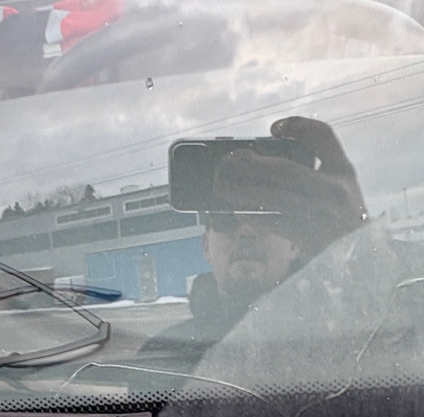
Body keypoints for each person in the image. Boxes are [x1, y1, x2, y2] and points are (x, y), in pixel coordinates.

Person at [140, 116, 370, 364]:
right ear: (206, 246)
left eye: (264, 215)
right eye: (225, 217)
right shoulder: (162, 357)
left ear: (295, 243)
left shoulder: (357, 338)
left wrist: (361, 247)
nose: (247, 229)